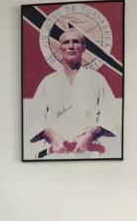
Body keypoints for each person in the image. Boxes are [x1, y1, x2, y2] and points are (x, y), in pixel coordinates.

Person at [28, 29, 119, 159]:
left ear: (83, 47)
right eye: (66, 42)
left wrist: (89, 136)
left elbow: (110, 115)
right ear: (60, 47)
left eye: (76, 42)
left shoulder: (97, 79)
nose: (71, 46)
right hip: (56, 152)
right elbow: (35, 117)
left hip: (89, 153)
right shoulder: (48, 81)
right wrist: (53, 137)